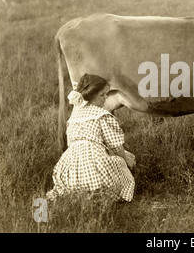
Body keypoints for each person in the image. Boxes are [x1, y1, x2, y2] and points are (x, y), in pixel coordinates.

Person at [47, 74, 135, 202]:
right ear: (92, 95)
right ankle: (103, 191)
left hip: (71, 162)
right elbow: (116, 146)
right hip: (94, 162)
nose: (106, 98)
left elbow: (71, 143)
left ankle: (78, 190)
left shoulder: (74, 117)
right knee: (121, 162)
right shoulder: (102, 115)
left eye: (107, 94)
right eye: (102, 95)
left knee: (84, 167)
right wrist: (126, 160)